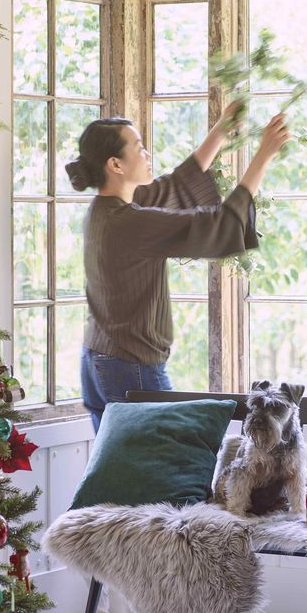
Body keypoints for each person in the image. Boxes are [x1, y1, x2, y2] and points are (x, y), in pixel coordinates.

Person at [66, 109, 290, 433]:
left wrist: (221, 131)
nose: (147, 153)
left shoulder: (106, 209)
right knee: (162, 470)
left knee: (119, 475)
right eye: (138, 146)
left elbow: (174, 187)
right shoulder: (129, 222)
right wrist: (263, 156)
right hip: (131, 367)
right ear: (115, 165)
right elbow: (218, 226)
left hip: (97, 360)